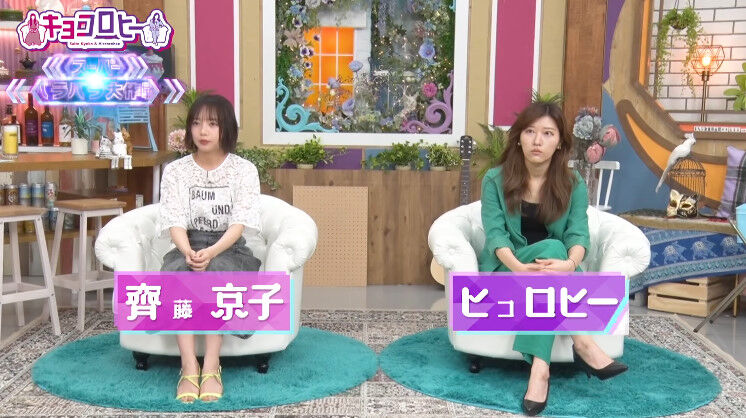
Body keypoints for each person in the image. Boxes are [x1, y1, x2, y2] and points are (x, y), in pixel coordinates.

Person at [478, 101, 628, 416]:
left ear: (559, 142)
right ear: (518, 137)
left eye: (548, 133)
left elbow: (578, 235)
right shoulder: (494, 179)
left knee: (555, 256)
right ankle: (583, 343)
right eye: (530, 132)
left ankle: (540, 370)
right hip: (507, 271)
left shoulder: (573, 184)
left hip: (555, 275)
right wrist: (519, 268)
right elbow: (495, 235)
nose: (537, 140)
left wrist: (570, 264)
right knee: (553, 249)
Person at [158, 94, 262, 403]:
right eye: (196, 123)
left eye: (212, 124)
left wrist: (212, 252)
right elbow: (174, 220)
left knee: (214, 273)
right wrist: (187, 251)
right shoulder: (175, 171)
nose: (203, 131)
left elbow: (239, 223)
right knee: (179, 273)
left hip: (229, 247)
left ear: (226, 128)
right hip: (187, 244)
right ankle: (189, 365)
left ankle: (212, 365)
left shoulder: (244, 170)